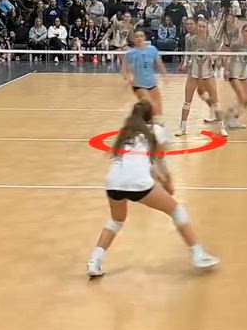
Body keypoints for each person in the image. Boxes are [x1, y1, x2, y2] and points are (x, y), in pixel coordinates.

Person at [86, 101, 220, 278]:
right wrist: (168, 182)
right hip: (138, 183)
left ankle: (94, 261)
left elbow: (143, 164)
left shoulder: (126, 133)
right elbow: (160, 160)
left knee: (116, 221)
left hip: (113, 183)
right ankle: (198, 253)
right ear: (150, 116)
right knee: (176, 210)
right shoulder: (156, 130)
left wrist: (160, 180)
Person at [175, 19, 228, 138]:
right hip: (193, 74)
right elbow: (187, 53)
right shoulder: (191, 40)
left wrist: (212, 58)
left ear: (207, 28)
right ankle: (182, 127)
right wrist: (185, 63)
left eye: (204, 26)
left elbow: (216, 55)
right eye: (200, 26)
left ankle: (221, 127)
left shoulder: (211, 40)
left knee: (215, 102)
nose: (201, 28)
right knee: (187, 102)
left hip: (208, 74)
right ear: (197, 27)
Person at [121, 29, 168, 137]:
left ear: (144, 38)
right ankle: (146, 130)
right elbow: (124, 70)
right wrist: (129, 78)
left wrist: (164, 75)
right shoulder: (130, 53)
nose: (139, 38)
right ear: (133, 39)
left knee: (158, 110)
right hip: (139, 85)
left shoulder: (152, 50)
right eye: (137, 36)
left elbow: (159, 64)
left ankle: (152, 130)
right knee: (150, 105)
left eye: (141, 36)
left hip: (152, 83)